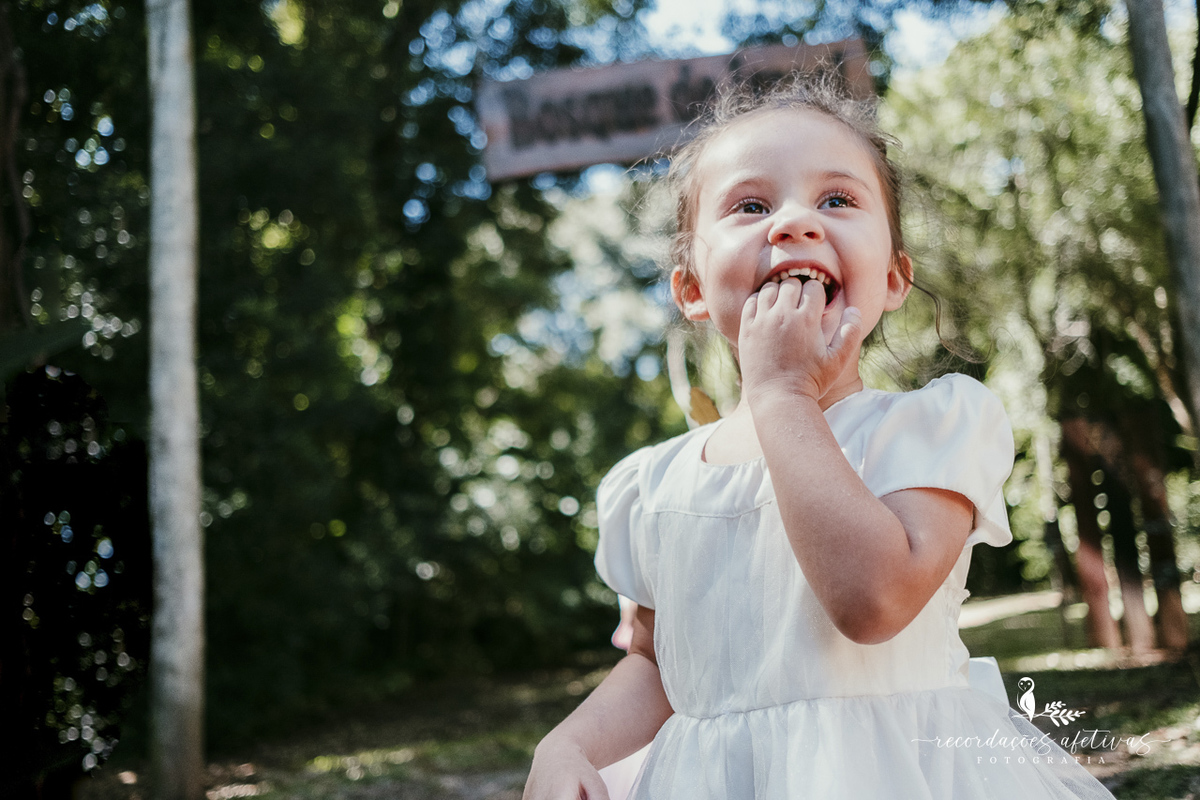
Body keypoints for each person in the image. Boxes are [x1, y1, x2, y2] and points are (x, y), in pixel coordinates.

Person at [522, 75, 1117, 799]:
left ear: (895, 277)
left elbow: (873, 601)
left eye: (837, 200)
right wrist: (568, 744)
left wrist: (782, 395)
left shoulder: (929, 428)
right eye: (751, 205)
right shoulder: (653, 486)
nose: (795, 222)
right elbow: (657, 666)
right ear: (692, 291)